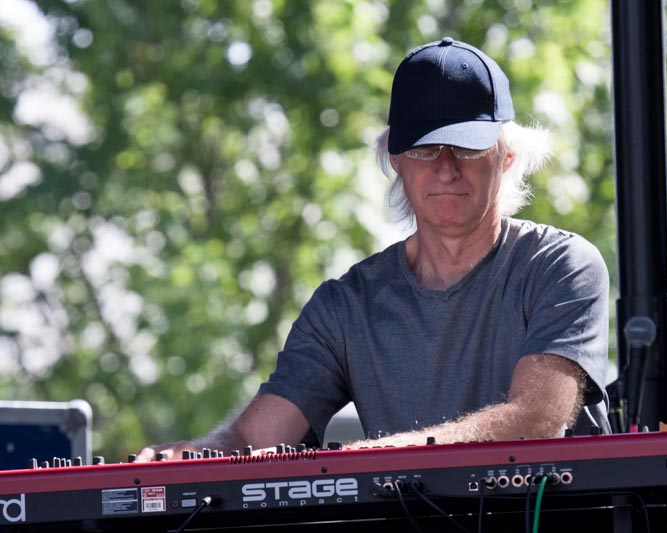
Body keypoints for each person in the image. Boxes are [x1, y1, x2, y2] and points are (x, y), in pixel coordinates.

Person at [137, 37, 609, 461]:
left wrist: (373, 456)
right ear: (395, 160)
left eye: (466, 148)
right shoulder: (345, 305)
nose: (446, 169)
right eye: (425, 150)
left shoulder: (562, 266)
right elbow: (250, 439)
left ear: (506, 158)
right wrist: (196, 455)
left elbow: (533, 421)